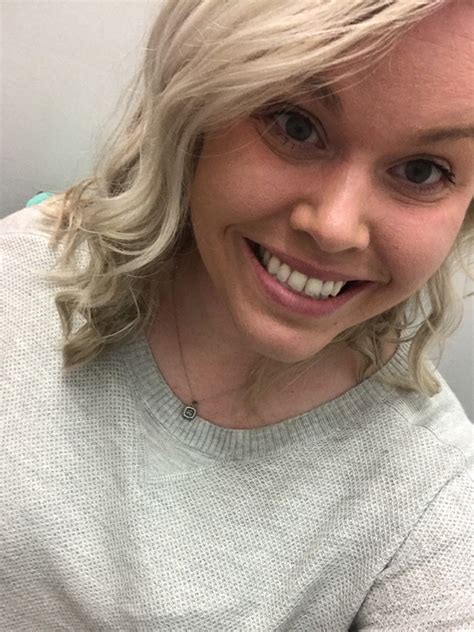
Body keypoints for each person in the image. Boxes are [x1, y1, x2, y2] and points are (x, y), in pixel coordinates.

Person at [1, 0, 473, 629]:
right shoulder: (24, 278)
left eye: (422, 171)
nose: (334, 227)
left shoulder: (431, 493)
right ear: (197, 109)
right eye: (296, 126)